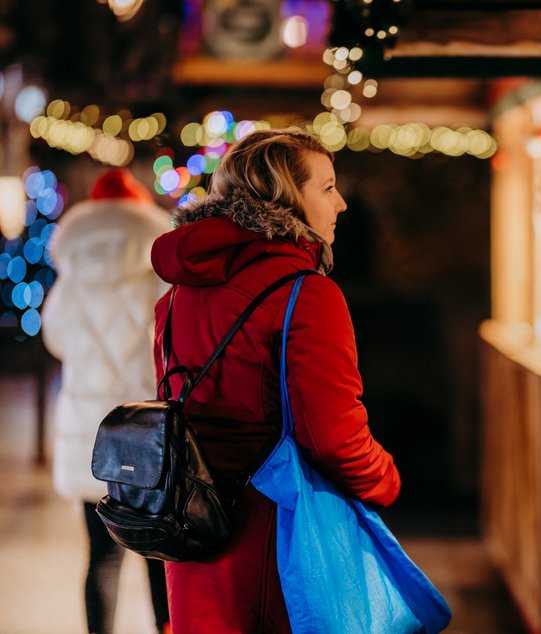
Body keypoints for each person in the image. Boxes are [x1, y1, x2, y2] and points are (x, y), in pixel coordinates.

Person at [149, 128, 401, 631]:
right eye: (327, 187)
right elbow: (333, 436)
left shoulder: (179, 291)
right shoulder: (306, 293)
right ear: (286, 196)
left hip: (188, 520)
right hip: (271, 535)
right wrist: (385, 478)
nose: (342, 203)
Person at [41, 168, 172, 634]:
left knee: (101, 555)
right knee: (161, 554)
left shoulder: (72, 274)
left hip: (91, 433)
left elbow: (55, 338)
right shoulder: (160, 266)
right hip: (147, 432)